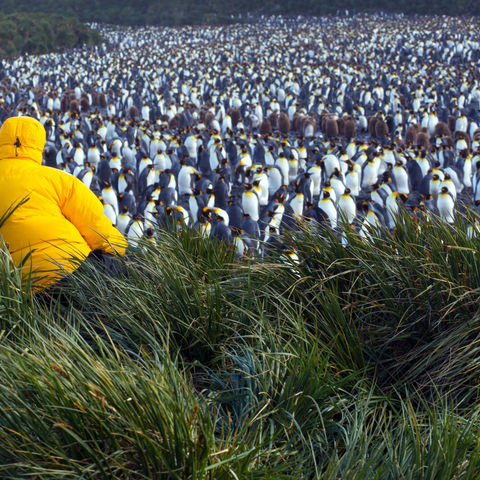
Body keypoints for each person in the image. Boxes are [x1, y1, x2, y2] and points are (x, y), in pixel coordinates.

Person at [0, 115, 128, 292]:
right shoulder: (58, 179)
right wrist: (121, 252)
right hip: (71, 268)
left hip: (17, 285)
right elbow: (96, 226)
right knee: (128, 270)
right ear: (39, 145)